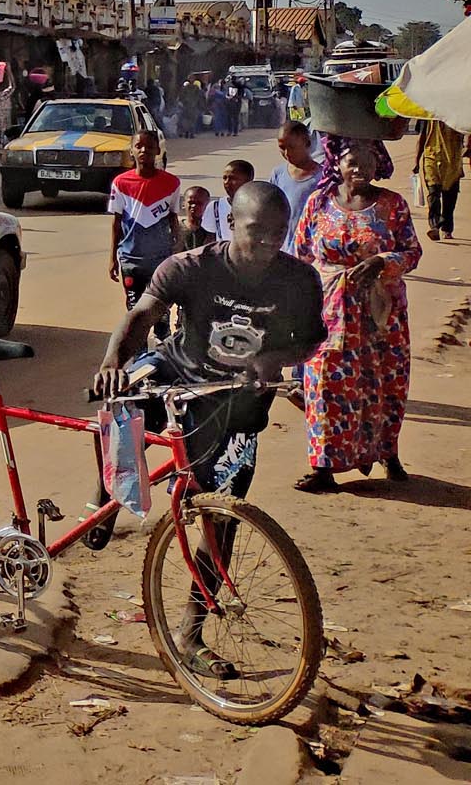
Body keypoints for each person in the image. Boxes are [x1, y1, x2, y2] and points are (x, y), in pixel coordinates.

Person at [92, 180, 327, 679]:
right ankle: (105, 500)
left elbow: (308, 341)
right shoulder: (191, 268)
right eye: (255, 230)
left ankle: (191, 631)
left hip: (240, 398)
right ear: (230, 224)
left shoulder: (298, 281)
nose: (267, 242)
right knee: (123, 398)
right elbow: (141, 316)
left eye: (277, 232)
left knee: (223, 518)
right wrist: (113, 359)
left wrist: (275, 359)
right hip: (179, 369)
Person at [291, 136, 423, 491]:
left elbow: (411, 252)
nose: (360, 169)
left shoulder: (391, 205)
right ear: (338, 164)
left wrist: (383, 261)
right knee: (322, 384)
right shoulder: (318, 203)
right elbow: (301, 253)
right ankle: (323, 467)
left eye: (368, 161)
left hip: (381, 316)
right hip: (329, 312)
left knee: (383, 383)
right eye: (353, 160)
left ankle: (386, 452)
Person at [107, 130, 181, 309]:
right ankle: (137, 338)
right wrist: (112, 258)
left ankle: (162, 337)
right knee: (134, 307)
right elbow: (117, 222)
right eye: (138, 146)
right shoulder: (121, 183)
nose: (143, 151)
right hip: (130, 257)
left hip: (161, 257)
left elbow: (173, 218)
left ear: (158, 150)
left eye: (149, 147)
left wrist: (177, 248)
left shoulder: (172, 183)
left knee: (160, 306)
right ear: (131, 150)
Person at [269, 122, 321, 248]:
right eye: (282, 147)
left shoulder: (323, 177)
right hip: (283, 248)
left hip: (311, 249)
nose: (286, 153)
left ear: (307, 143)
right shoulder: (278, 174)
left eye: (292, 147)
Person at [415, 118, 463, 242]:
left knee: (450, 196)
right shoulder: (426, 115)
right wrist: (416, 161)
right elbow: (422, 136)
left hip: (453, 160)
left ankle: (447, 228)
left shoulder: (457, 114)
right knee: (433, 193)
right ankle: (434, 226)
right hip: (432, 158)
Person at [200, 160, 255, 242]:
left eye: (233, 178)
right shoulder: (215, 207)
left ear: (248, 181)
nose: (227, 182)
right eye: (225, 178)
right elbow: (210, 238)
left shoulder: (257, 206)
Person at [177, 185, 216, 252]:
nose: (194, 206)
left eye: (199, 203)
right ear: (183, 204)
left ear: (207, 204)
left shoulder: (213, 231)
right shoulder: (175, 229)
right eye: (191, 202)